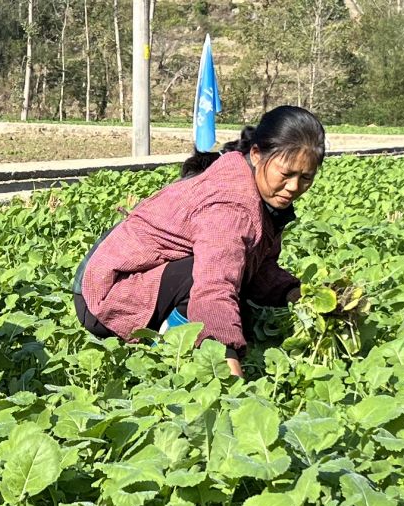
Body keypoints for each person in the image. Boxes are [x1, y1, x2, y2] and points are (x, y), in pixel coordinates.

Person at [74, 107, 324, 376]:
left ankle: (184, 336)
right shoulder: (231, 206)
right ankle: (172, 350)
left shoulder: (257, 190)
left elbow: (254, 265)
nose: (294, 187)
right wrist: (228, 373)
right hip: (106, 297)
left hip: (141, 281)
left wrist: (296, 294)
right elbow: (213, 287)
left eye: (306, 177)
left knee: (236, 296)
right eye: (286, 174)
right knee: (208, 281)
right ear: (256, 154)